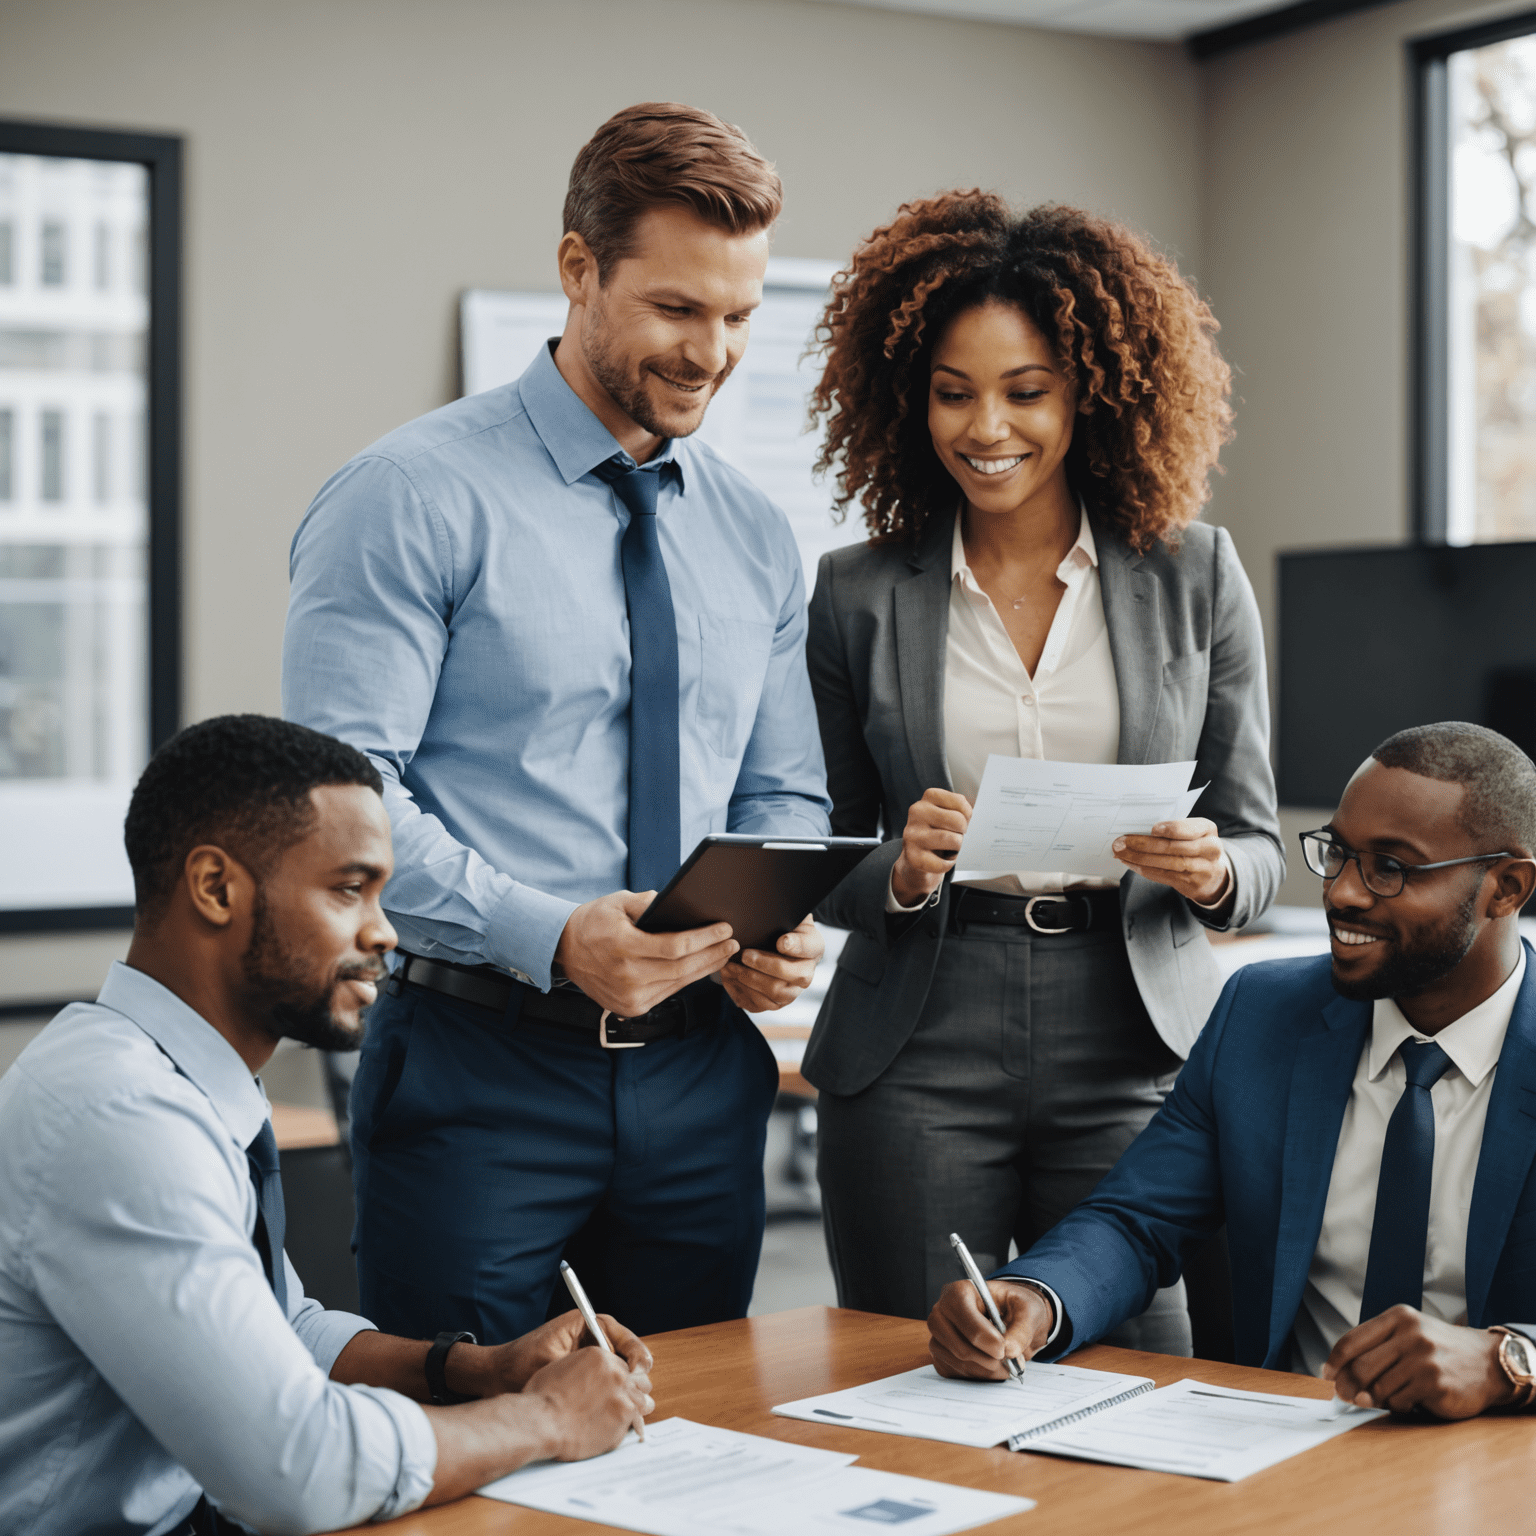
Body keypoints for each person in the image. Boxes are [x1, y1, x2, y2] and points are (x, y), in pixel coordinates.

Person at [282, 102, 831, 1345]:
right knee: (466, 1464)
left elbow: (784, 792)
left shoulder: (751, 533)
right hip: (482, 1069)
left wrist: (762, 922)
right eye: (678, 310)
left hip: (701, 1077)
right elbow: (337, 806)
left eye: (741, 317)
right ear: (579, 268)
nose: (713, 353)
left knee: (686, 1449)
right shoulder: (409, 497)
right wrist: (551, 934)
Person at [802, 193, 1283, 1346]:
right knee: (909, 1379)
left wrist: (1215, 873)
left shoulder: (1196, 577)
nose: (986, 427)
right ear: (910, 399)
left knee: (1143, 1380)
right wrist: (902, 871)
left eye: (1026, 391)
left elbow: (1263, 848)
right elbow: (817, 852)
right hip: (918, 1035)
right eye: (953, 391)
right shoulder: (857, 593)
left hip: (1131, 1040)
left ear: (1091, 396)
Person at [0, 715, 654, 1536]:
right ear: (215, 888)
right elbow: (297, 1471)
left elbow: (284, 1327)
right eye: (349, 889)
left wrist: (479, 1370)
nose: (383, 932)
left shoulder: (171, 1079)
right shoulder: (119, 1117)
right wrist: (547, 1421)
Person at [930, 722, 1536, 1419]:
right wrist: (1038, 1295)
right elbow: (1136, 1220)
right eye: (1337, 854)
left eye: (1390, 867)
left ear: (1507, 887)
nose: (1341, 893)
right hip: (1282, 1450)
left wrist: (1506, 1361)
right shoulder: (1264, 1012)